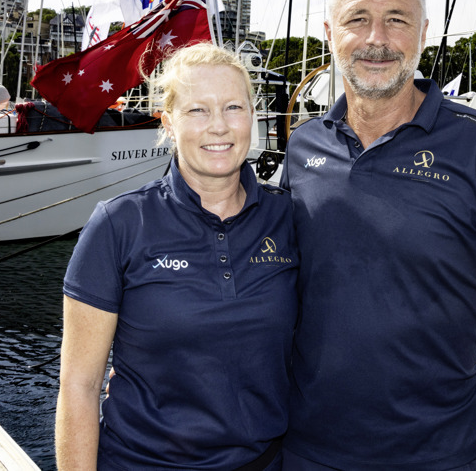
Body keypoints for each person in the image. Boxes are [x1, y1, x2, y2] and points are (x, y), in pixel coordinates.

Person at [280, 0, 476, 471]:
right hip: (305, 452)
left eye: (396, 19)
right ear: (330, 33)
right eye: (357, 19)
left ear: (424, 32)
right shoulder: (304, 145)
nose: (376, 39)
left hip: (440, 457)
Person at [55, 42, 296, 470]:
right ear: (168, 123)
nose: (219, 127)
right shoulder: (118, 225)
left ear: (253, 117)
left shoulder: (289, 219)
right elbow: (80, 385)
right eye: (197, 111)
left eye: (234, 108)